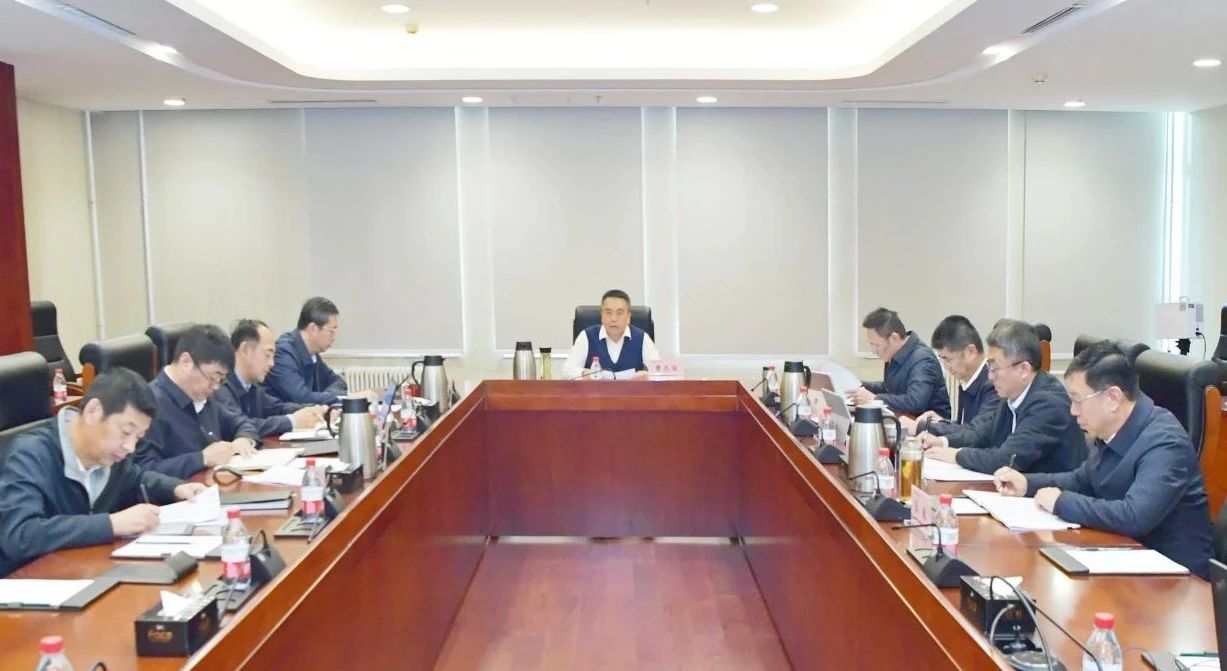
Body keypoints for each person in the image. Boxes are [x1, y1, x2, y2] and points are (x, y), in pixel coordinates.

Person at [993, 342, 1212, 578]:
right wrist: (1026, 483)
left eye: (1078, 400)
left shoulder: (1166, 443)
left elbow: (1134, 516)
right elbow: (1082, 479)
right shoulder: (1112, 431)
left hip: (1177, 581)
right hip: (1127, 558)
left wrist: (1061, 502)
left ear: (1112, 398)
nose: (1073, 411)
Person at [0, 369, 208, 576]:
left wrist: (176, 488)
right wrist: (110, 524)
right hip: (26, 583)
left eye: (138, 437)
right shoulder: (29, 455)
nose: (130, 447)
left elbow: (135, 478)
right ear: (93, 411)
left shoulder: (107, 455)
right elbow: (20, 535)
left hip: (82, 570)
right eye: (126, 432)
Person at [920, 319, 1087, 474]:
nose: (990, 376)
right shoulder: (1010, 395)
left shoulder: (1048, 404)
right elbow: (982, 434)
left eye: (995, 368)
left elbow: (1006, 459)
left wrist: (957, 455)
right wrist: (943, 442)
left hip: (1048, 492)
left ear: (1023, 369)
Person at [134, 324, 260, 479]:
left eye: (220, 380)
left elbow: (241, 422)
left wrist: (244, 439)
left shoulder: (203, 395)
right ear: (186, 361)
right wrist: (201, 459)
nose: (216, 387)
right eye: (213, 378)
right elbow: (143, 472)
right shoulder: (149, 405)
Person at [214, 319, 327, 438]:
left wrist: (315, 410)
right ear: (245, 349)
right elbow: (241, 425)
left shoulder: (252, 387)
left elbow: (278, 408)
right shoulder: (219, 384)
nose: (271, 363)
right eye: (267, 355)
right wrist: (292, 421)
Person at [900, 315, 997, 436]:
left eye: (948, 359)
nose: (946, 366)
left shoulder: (993, 385)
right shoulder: (969, 381)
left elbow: (975, 433)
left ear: (970, 352)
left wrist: (921, 427)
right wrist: (942, 422)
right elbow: (964, 427)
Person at [848, 308, 951, 417]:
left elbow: (915, 402)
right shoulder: (894, 354)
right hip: (903, 419)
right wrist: (857, 384)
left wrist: (875, 399)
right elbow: (889, 389)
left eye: (876, 345)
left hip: (929, 424)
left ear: (894, 338)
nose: (873, 350)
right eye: (871, 344)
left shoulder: (923, 359)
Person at [264, 297, 354, 405]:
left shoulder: (312, 353)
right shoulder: (283, 353)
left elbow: (338, 382)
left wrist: (325, 396)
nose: (334, 338)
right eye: (332, 331)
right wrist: (337, 398)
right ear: (313, 328)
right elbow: (301, 398)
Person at [563, 289, 661, 380]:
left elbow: (660, 371)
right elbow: (566, 370)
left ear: (628, 317)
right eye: (608, 313)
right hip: (595, 393)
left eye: (619, 313)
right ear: (602, 315)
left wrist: (648, 376)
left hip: (632, 393)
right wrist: (585, 374)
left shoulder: (642, 338)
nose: (613, 318)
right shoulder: (586, 336)